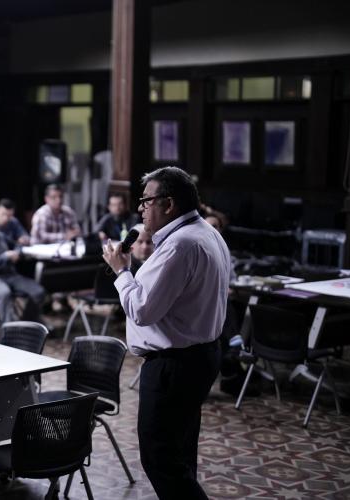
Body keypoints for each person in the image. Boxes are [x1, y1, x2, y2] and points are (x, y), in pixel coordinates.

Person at [102, 166, 230, 499]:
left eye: (145, 201)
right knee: (180, 453)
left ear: (168, 204)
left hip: (174, 364)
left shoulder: (178, 246)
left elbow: (142, 310)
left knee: (161, 458)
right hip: (200, 356)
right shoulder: (207, 233)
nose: (140, 208)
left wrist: (121, 272)